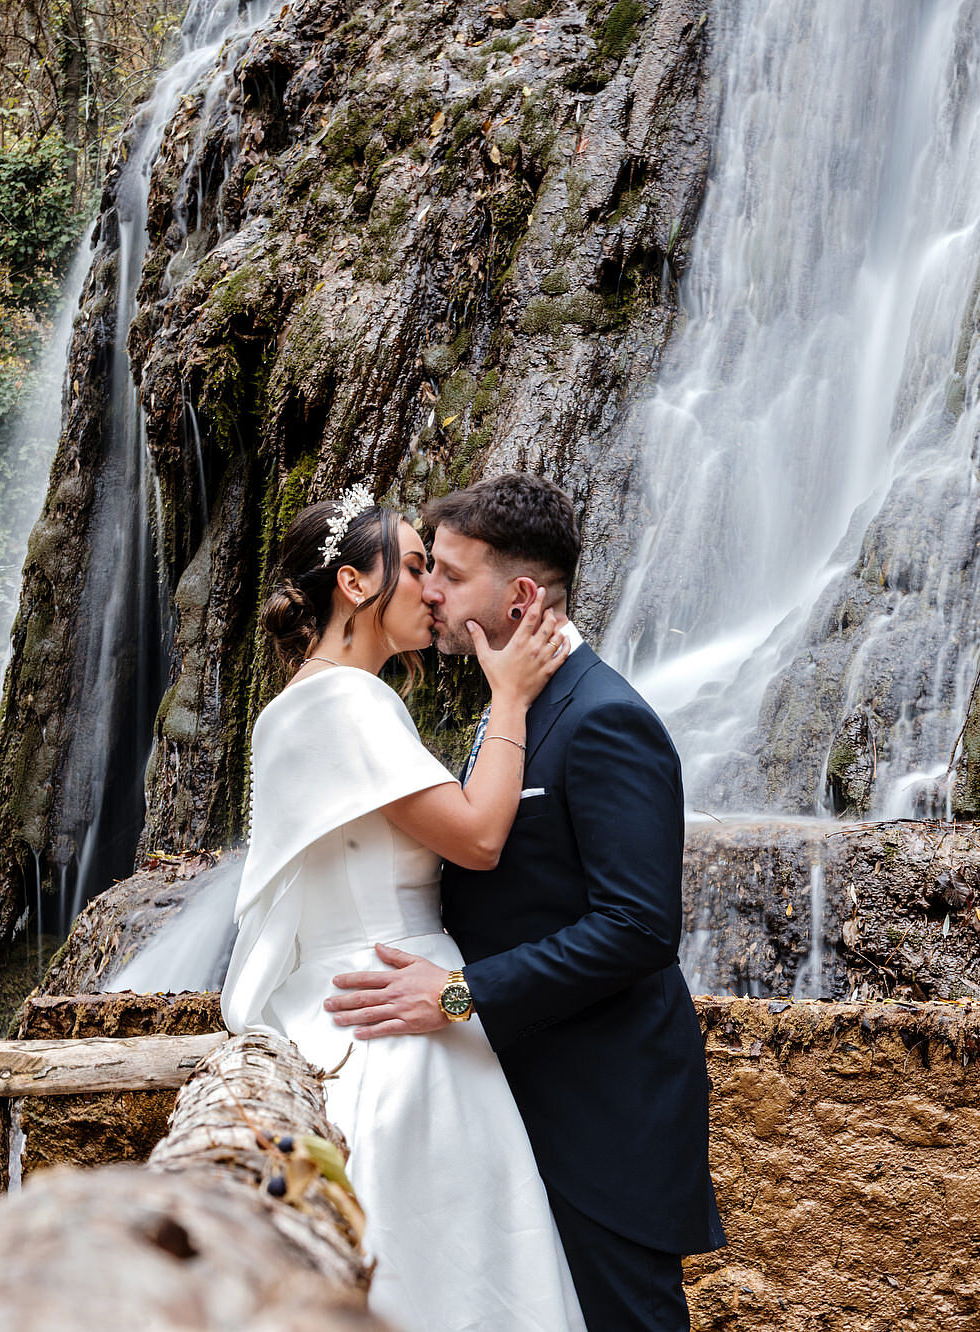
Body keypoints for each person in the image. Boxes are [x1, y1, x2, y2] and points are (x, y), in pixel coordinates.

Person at [324, 473, 727, 1332]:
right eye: (428, 568)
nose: (428, 591)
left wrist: (460, 995)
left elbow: (639, 928)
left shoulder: (607, 718)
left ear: (519, 595)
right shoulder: (513, 705)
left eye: (451, 575)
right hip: (514, 1099)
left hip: (600, 1115)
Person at [221, 482, 586, 1332]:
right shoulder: (342, 703)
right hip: (395, 1015)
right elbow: (479, 838)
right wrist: (511, 697)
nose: (433, 590)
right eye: (417, 566)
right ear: (354, 583)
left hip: (381, 997)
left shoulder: (323, 700)